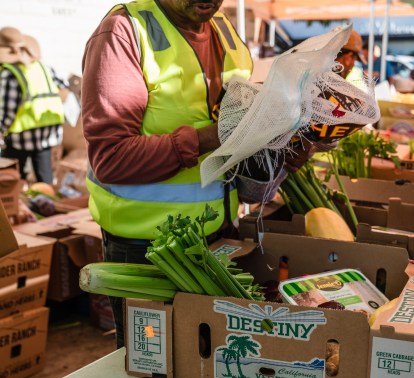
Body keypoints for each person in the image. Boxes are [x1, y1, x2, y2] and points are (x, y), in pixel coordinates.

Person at [81, 0, 315, 348]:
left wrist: (283, 147)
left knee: (212, 360)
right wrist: (215, 133)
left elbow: (231, 151)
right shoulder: (124, 32)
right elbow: (111, 159)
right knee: (153, 371)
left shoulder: (226, 32)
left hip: (219, 238)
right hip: (149, 251)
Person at [0, 27, 65, 184]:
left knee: (11, 179)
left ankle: (16, 205)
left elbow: (8, 111)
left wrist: (1, 130)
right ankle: (47, 204)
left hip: (20, 137)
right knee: (45, 178)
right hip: (46, 134)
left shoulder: (10, 74)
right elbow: (64, 88)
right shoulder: (44, 68)